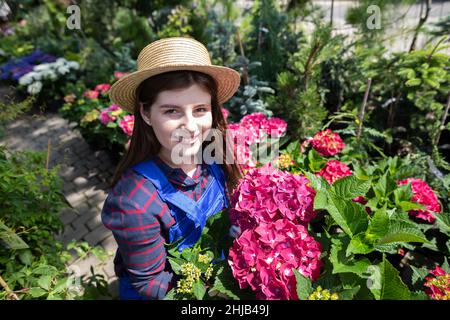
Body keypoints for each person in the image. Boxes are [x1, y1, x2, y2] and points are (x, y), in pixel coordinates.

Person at [101, 37, 244, 300]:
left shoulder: (212, 155)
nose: (190, 126)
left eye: (200, 109)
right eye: (172, 111)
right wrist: (215, 291)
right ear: (145, 113)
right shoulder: (134, 201)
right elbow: (150, 283)